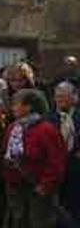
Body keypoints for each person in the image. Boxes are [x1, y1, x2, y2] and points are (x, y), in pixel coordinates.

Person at [2, 89, 66, 228]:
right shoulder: (14, 127)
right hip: (16, 186)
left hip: (38, 187)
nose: (12, 108)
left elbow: (56, 161)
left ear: (28, 107)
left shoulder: (46, 130)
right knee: (18, 221)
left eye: (16, 104)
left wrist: (45, 185)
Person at [48, 81, 80, 226]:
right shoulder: (49, 118)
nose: (59, 100)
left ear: (75, 97)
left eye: (64, 97)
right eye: (57, 97)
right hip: (56, 171)